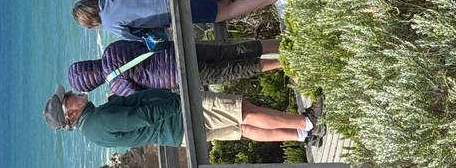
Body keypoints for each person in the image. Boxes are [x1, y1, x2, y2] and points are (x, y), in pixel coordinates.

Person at [43, 84, 319, 147]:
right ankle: (306, 121)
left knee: (242, 129)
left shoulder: (93, 132)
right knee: (244, 112)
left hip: (178, 133)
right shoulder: (98, 121)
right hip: (181, 115)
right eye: (68, 97)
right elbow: (144, 117)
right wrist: (179, 103)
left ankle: (301, 135)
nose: (73, 93)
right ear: (71, 112)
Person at [72, 0, 277, 41]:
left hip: (175, 6)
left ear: (91, 22)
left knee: (225, 13)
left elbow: (143, 36)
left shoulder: (110, 25)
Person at [68, 39, 282, 96]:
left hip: (180, 75)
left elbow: (146, 95)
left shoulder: (117, 87)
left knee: (234, 70)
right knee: (229, 52)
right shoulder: (111, 49)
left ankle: (283, 61)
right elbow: (141, 44)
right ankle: (279, 44)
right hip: (177, 50)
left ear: (93, 84)